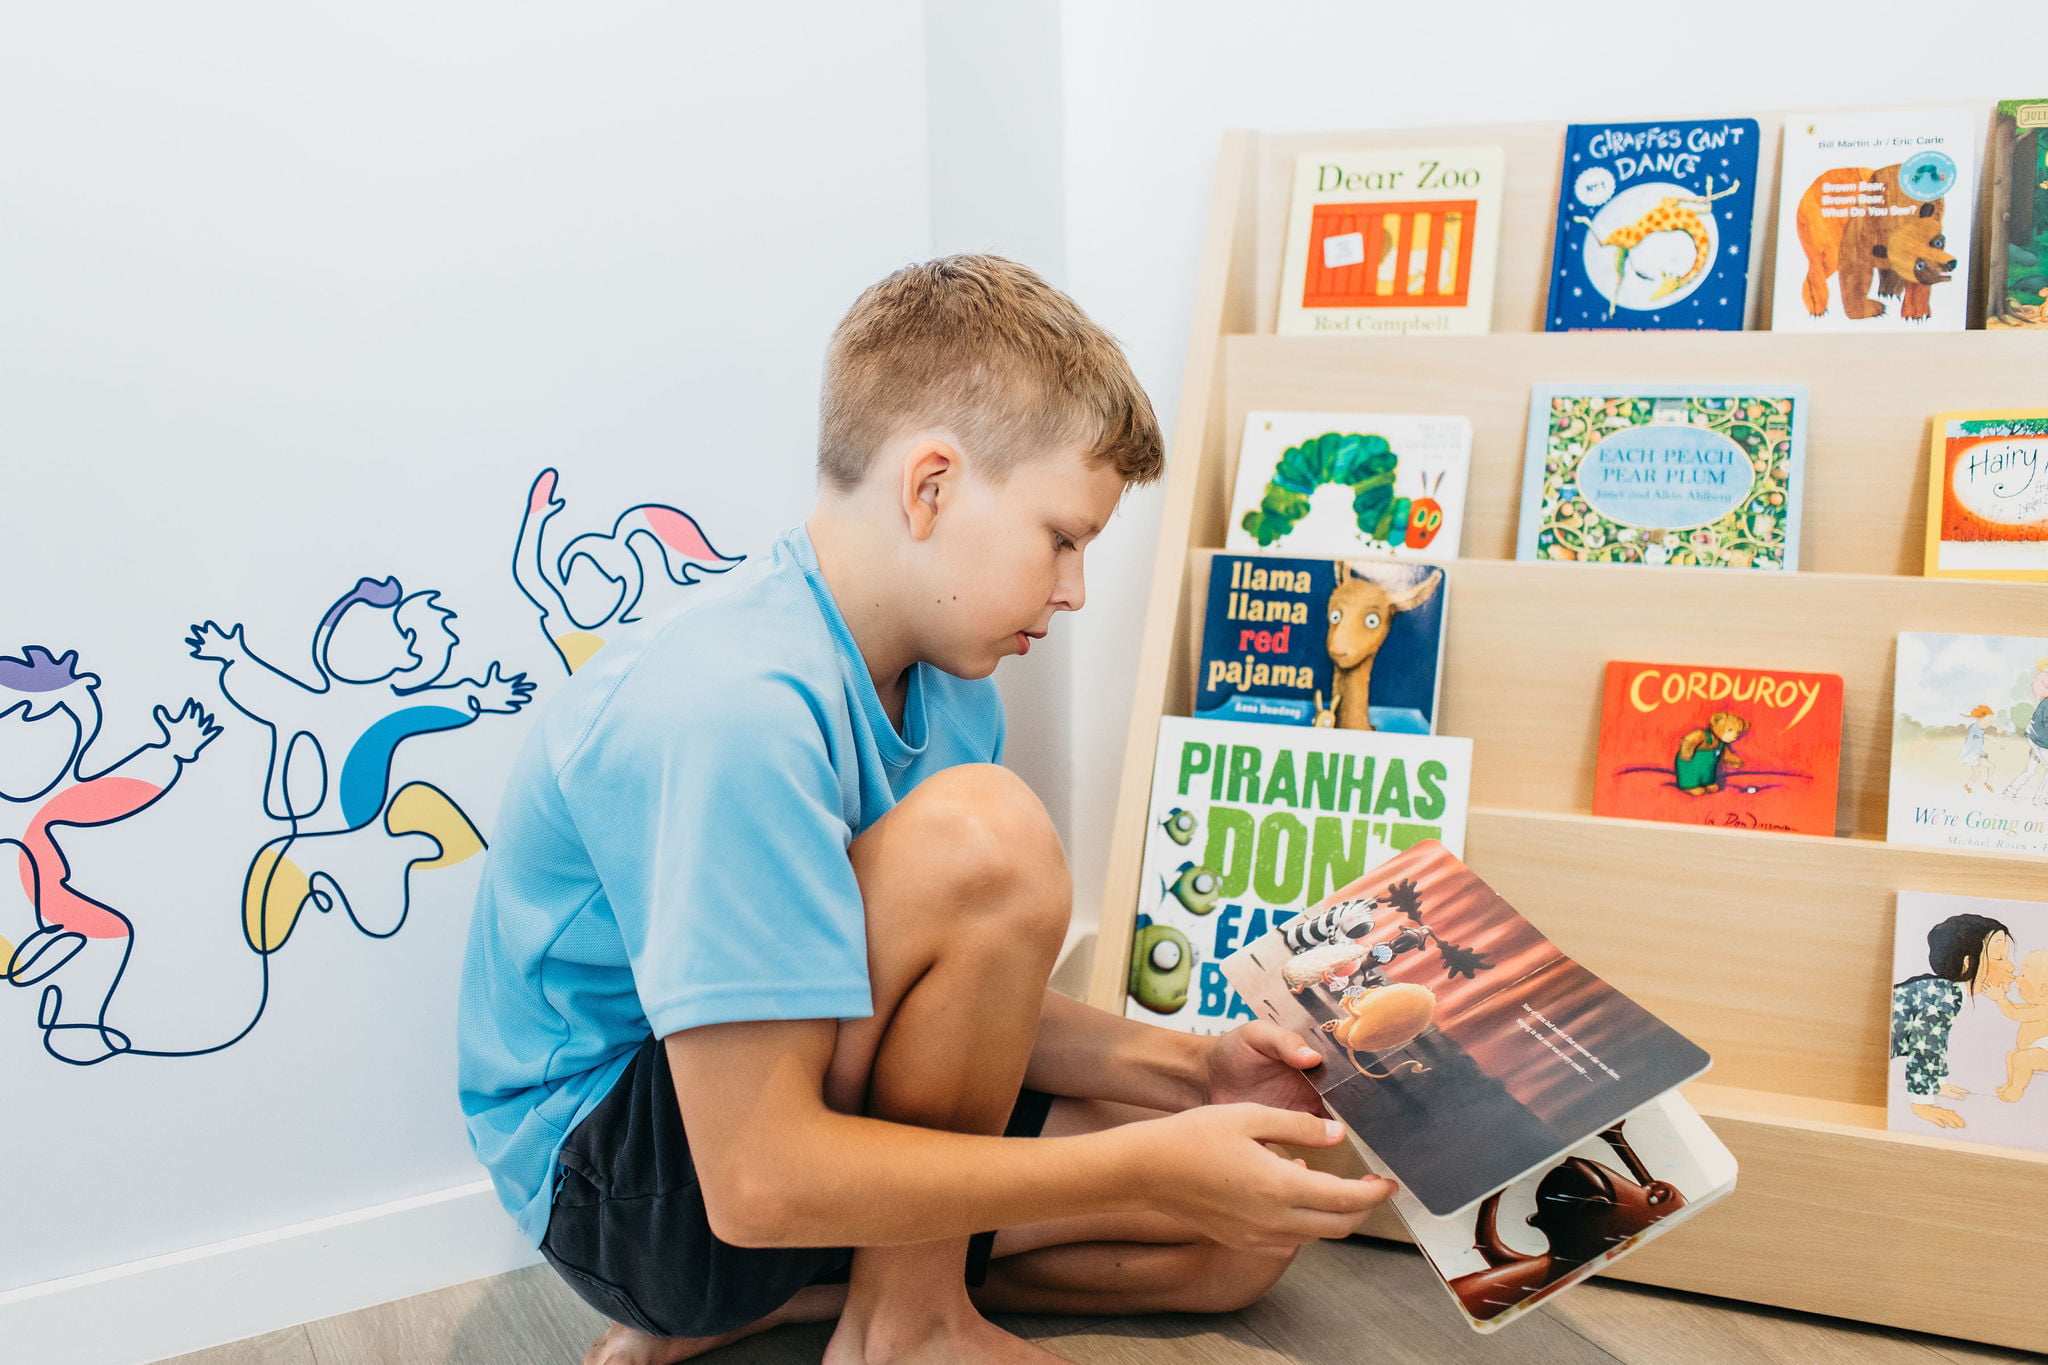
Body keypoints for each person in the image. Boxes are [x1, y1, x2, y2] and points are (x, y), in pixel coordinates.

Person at [457, 256, 1392, 1365]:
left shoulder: (951, 691)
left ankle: (805, 1307)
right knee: (988, 840)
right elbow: (755, 1182)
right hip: (640, 1186)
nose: (1073, 590)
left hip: (785, 1115)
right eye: (1061, 538)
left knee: (1247, 1228)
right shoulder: (731, 712)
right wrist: (1143, 1163)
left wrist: (1189, 1074)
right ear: (930, 486)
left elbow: (912, 985)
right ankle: (907, 1326)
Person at [1892, 912, 2018, 1129]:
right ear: (1967, 963)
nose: (2011, 967)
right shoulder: (1941, 998)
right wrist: (1922, 1104)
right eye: (1999, 958)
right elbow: (1924, 1051)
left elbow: (1936, 1045)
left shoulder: (1947, 993)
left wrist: (1938, 1084)